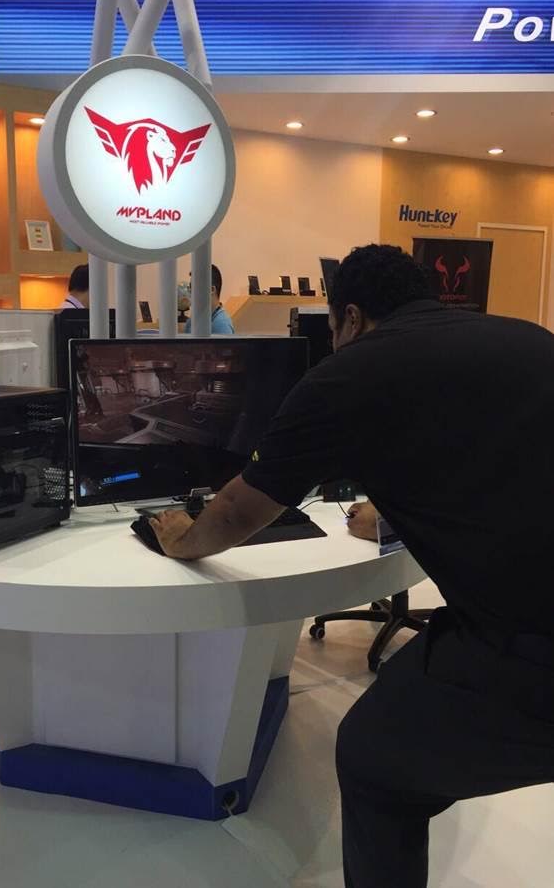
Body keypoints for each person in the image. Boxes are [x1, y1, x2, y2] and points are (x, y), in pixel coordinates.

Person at [148, 244, 554, 888]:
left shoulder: (347, 375)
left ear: (352, 317)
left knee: (374, 761)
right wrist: (393, 514)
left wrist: (180, 540)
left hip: (530, 649)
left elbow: (237, 513)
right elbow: (497, 468)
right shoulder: (528, 339)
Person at [184, 264, 235, 334]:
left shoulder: (221, 325)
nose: (190, 291)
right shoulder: (192, 321)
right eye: (190, 287)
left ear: (212, 290)